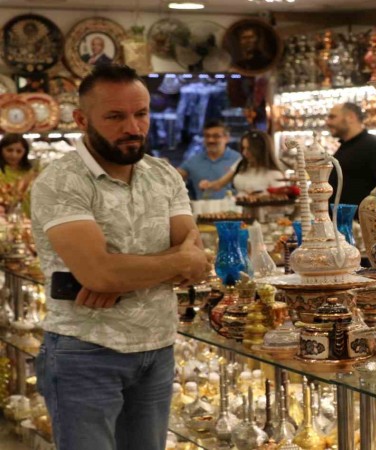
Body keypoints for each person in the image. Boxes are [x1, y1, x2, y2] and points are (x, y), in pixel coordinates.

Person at [30, 64, 210, 450]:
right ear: (82, 120)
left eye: (141, 113)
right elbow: (102, 274)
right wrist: (119, 271)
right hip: (85, 351)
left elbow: (195, 258)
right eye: (115, 116)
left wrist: (119, 273)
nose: (132, 127)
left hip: (158, 348)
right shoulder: (61, 181)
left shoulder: (163, 175)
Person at [326, 102, 376, 207]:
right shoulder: (345, 146)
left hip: (361, 216)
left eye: (332, 117)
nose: (328, 122)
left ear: (350, 117)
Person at [199, 130, 284, 193]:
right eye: (243, 148)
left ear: (260, 150)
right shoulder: (241, 164)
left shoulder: (275, 175)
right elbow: (219, 184)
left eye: (249, 149)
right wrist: (208, 185)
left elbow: (279, 201)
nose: (244, 153)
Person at [177, 119, 241, 200]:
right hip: (201, 207)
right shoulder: (193, 161)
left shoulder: (238, 159)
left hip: (233, 207)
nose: (211, 140)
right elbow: (174, 178)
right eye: (207, 136)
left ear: (227, 138)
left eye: (216, 136)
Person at [0, 133, 36, 215]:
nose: (14, 155)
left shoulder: (31, 172)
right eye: (9, 150)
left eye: (19, 151)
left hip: (29, 216)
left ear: (25, 152)